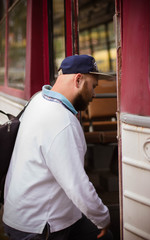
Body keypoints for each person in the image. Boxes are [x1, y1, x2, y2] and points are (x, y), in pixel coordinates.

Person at [3, 55, 113, 240]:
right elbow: (77, 185)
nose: (94, 94)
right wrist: (103, 218)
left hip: (23, 214)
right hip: (40, 226)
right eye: (93, 86)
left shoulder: (38, 100)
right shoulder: (62, 120)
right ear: (78, 79)